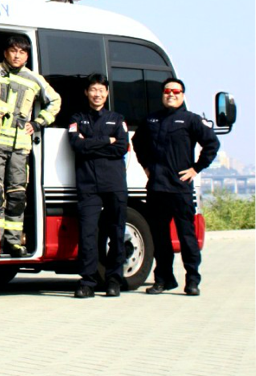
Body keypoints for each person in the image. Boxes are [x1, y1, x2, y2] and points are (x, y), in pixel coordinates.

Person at [132, 78, 219, 296]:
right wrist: (146, 166)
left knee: (187, 238)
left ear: (182, 95)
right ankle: (163, 279)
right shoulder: (151, 119)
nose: (171, 94)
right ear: (162, 94)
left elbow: (212, 144)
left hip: (180, 190)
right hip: (156, 189)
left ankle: (192, 280)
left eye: (176, 91)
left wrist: (196, 169)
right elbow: (137, 142)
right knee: (160, 239)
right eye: (167, 91)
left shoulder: (190, 120)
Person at [0, 35, 61, 256]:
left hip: (20, 147)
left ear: (27, 56)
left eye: (22, 52)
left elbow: (55, 101)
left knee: (17, 195)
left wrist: (38, 122)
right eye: (13, 50)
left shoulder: (34, 78)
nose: (17, 55)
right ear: (5, 52)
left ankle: (13, 242)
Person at [67, 74, 128, 298]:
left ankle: (113, 280)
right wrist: (106, 141)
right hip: (87, 185)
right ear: (86, 92)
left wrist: (90, 142)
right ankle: (87, 281)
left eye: (101, 90)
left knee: (116, 232)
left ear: (107, 93)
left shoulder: (117, 118)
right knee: (88, 234)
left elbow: (121, 148)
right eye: (93, 89)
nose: (97, 94)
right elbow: (76, 145)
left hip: (114, 184)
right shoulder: (77, 118)